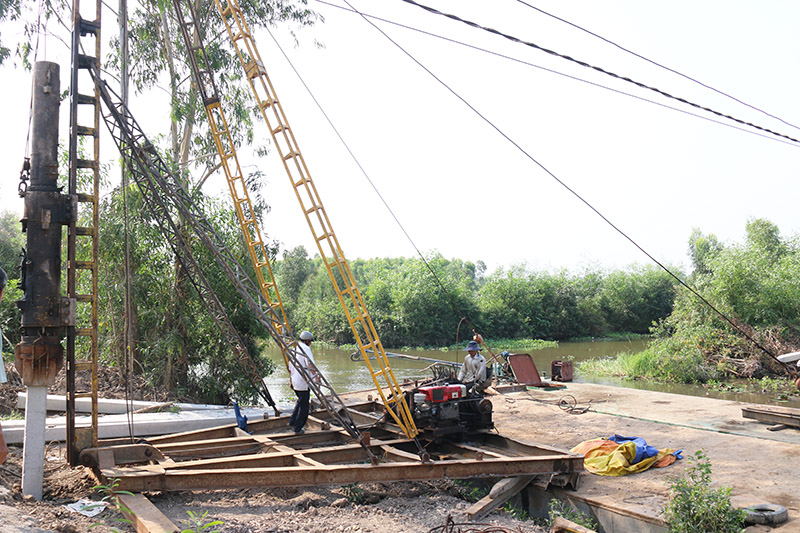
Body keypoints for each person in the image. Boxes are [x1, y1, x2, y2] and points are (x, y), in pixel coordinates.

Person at [288, 330, 318, 434]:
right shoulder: (306, 349)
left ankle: (292, 421)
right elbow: (310, 365)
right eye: (310, 341)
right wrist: (316, 377)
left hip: (295, 381)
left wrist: (291, 381)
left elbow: (290, 367)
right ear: (308, 341)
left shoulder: (294, 349)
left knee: (300, 401)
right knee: (304, 407)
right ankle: (298, 428)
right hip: (303, 382)